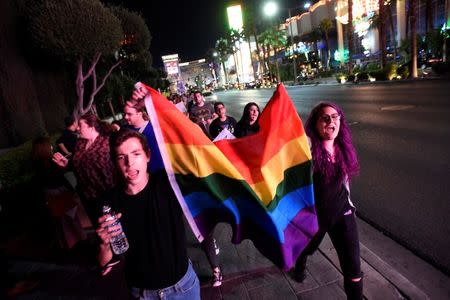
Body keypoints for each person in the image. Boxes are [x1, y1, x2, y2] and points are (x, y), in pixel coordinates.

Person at [130, 84, 223, 287]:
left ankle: (216, 269)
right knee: (173, 228)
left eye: (129, 113)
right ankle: (182, 265)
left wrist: (149, 98)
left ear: (142, 114)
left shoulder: (158, 129)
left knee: (200, 224)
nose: (126, 117)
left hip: (180, 183)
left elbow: (179, 129)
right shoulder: (130, 135)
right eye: (125, 114)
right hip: (160, 191)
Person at [96, 130, 200, 299]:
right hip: (142, 294)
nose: (129, 163)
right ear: (115, 162)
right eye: (121, 157)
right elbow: (103, 261)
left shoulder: (168, 183)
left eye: (136, 154)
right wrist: (104, 244)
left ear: (147, 156)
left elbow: (197, 160)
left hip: (183, 287)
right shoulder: (109, 203)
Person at [293, 102, 362, 299]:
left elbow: (345, 182)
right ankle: (301, 263)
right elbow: (287, 133)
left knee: (354, 269)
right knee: (308, 248)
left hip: (343, 215)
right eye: (324, 117)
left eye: (335, 116)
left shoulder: (343, 148)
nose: (331, 120)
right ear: (315, 123)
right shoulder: (308, 147)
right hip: (316, 218)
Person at [52, 113, 116, 224]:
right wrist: (67, 164)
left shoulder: (106, 142)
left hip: (107, 195)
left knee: (112, 227)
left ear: (91, 127)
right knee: (98, 226)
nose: (77, 128)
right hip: (87, 195)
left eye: (80, 125)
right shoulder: (80, 143)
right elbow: (80, 164)